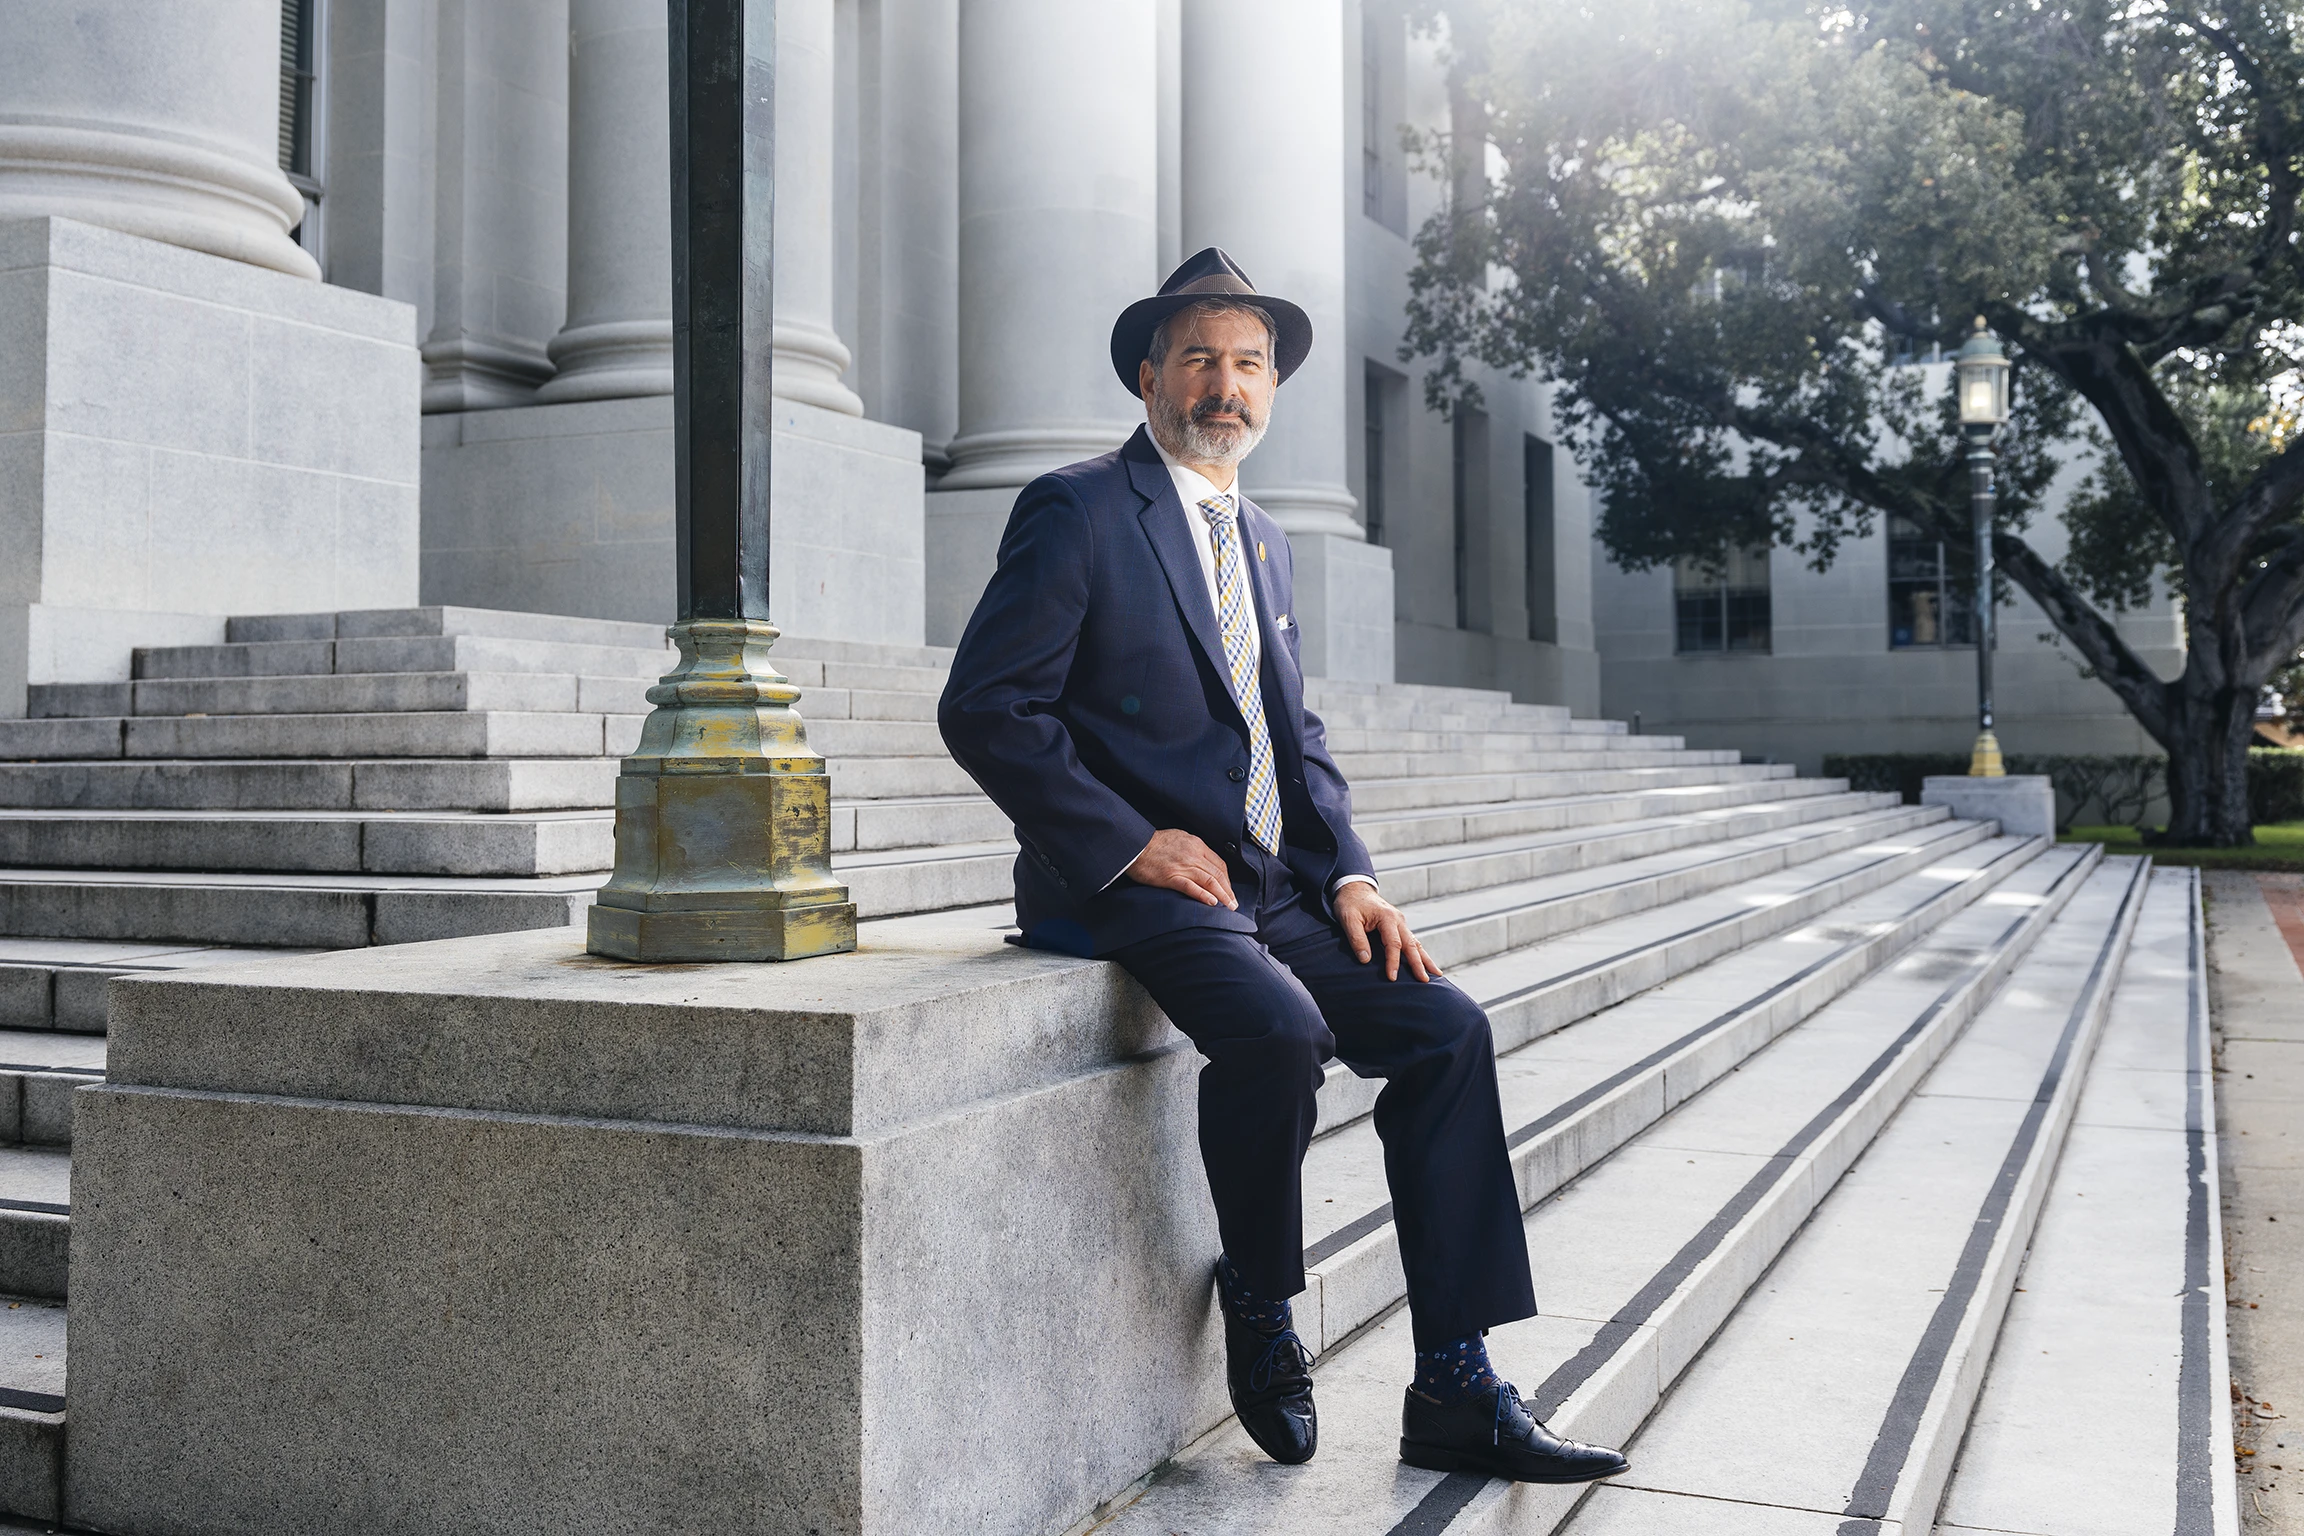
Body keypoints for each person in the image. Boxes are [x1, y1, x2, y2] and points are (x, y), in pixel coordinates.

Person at [936, 248, 1629, 1484]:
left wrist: (1351, 875)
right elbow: (989, 707)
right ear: (1150, 377)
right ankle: (1260, 1292)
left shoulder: (1261, 536)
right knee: (1279, 1032)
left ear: (1271, 390)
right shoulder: (1080, 508)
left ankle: (1457, 1383)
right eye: (1199, 357)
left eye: (1248, 363)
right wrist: (1127, 839)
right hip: (1137, 883)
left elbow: (1288, 737)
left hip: (1271, 882)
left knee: (1446, 1028)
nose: (1225, 384)